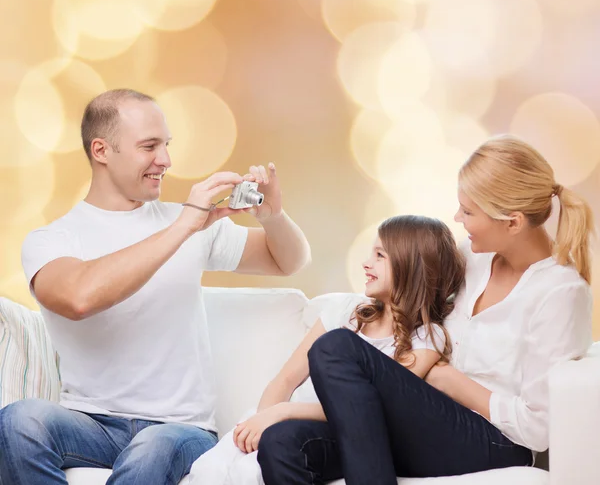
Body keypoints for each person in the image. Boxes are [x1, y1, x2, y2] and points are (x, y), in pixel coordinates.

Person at [0, 89, 311, 485]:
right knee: (18, 421)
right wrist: (182, 226)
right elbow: (79, 298)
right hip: (91, 423)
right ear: (102, 150)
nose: (165, 160)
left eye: (166, 145)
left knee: (151, 450)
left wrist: (274, 216)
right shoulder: (52, 239)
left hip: (180, 430)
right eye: (150, 146)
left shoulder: (191, 222)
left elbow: (288, 261)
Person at [257, 135, 595, 485]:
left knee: (335, 347)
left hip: (492, 440)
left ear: (512, 222)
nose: (457, 218)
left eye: (468, 211)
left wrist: (451, 382)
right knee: (281, 444)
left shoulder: (560, 293)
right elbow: (412, 286)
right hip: (424, 417)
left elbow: (537, 429)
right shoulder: (472, 257)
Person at [188, 214, 466, 485]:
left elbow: (367, 409)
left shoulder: (427, 338)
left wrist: (283, 413)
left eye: (380, 256)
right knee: (221, 468)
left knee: (280, 445)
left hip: (331, 433)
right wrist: (263, 419)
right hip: (280, 418)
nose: (366, 263)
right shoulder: (346, 312)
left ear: (411, 266)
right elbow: (285, 380)